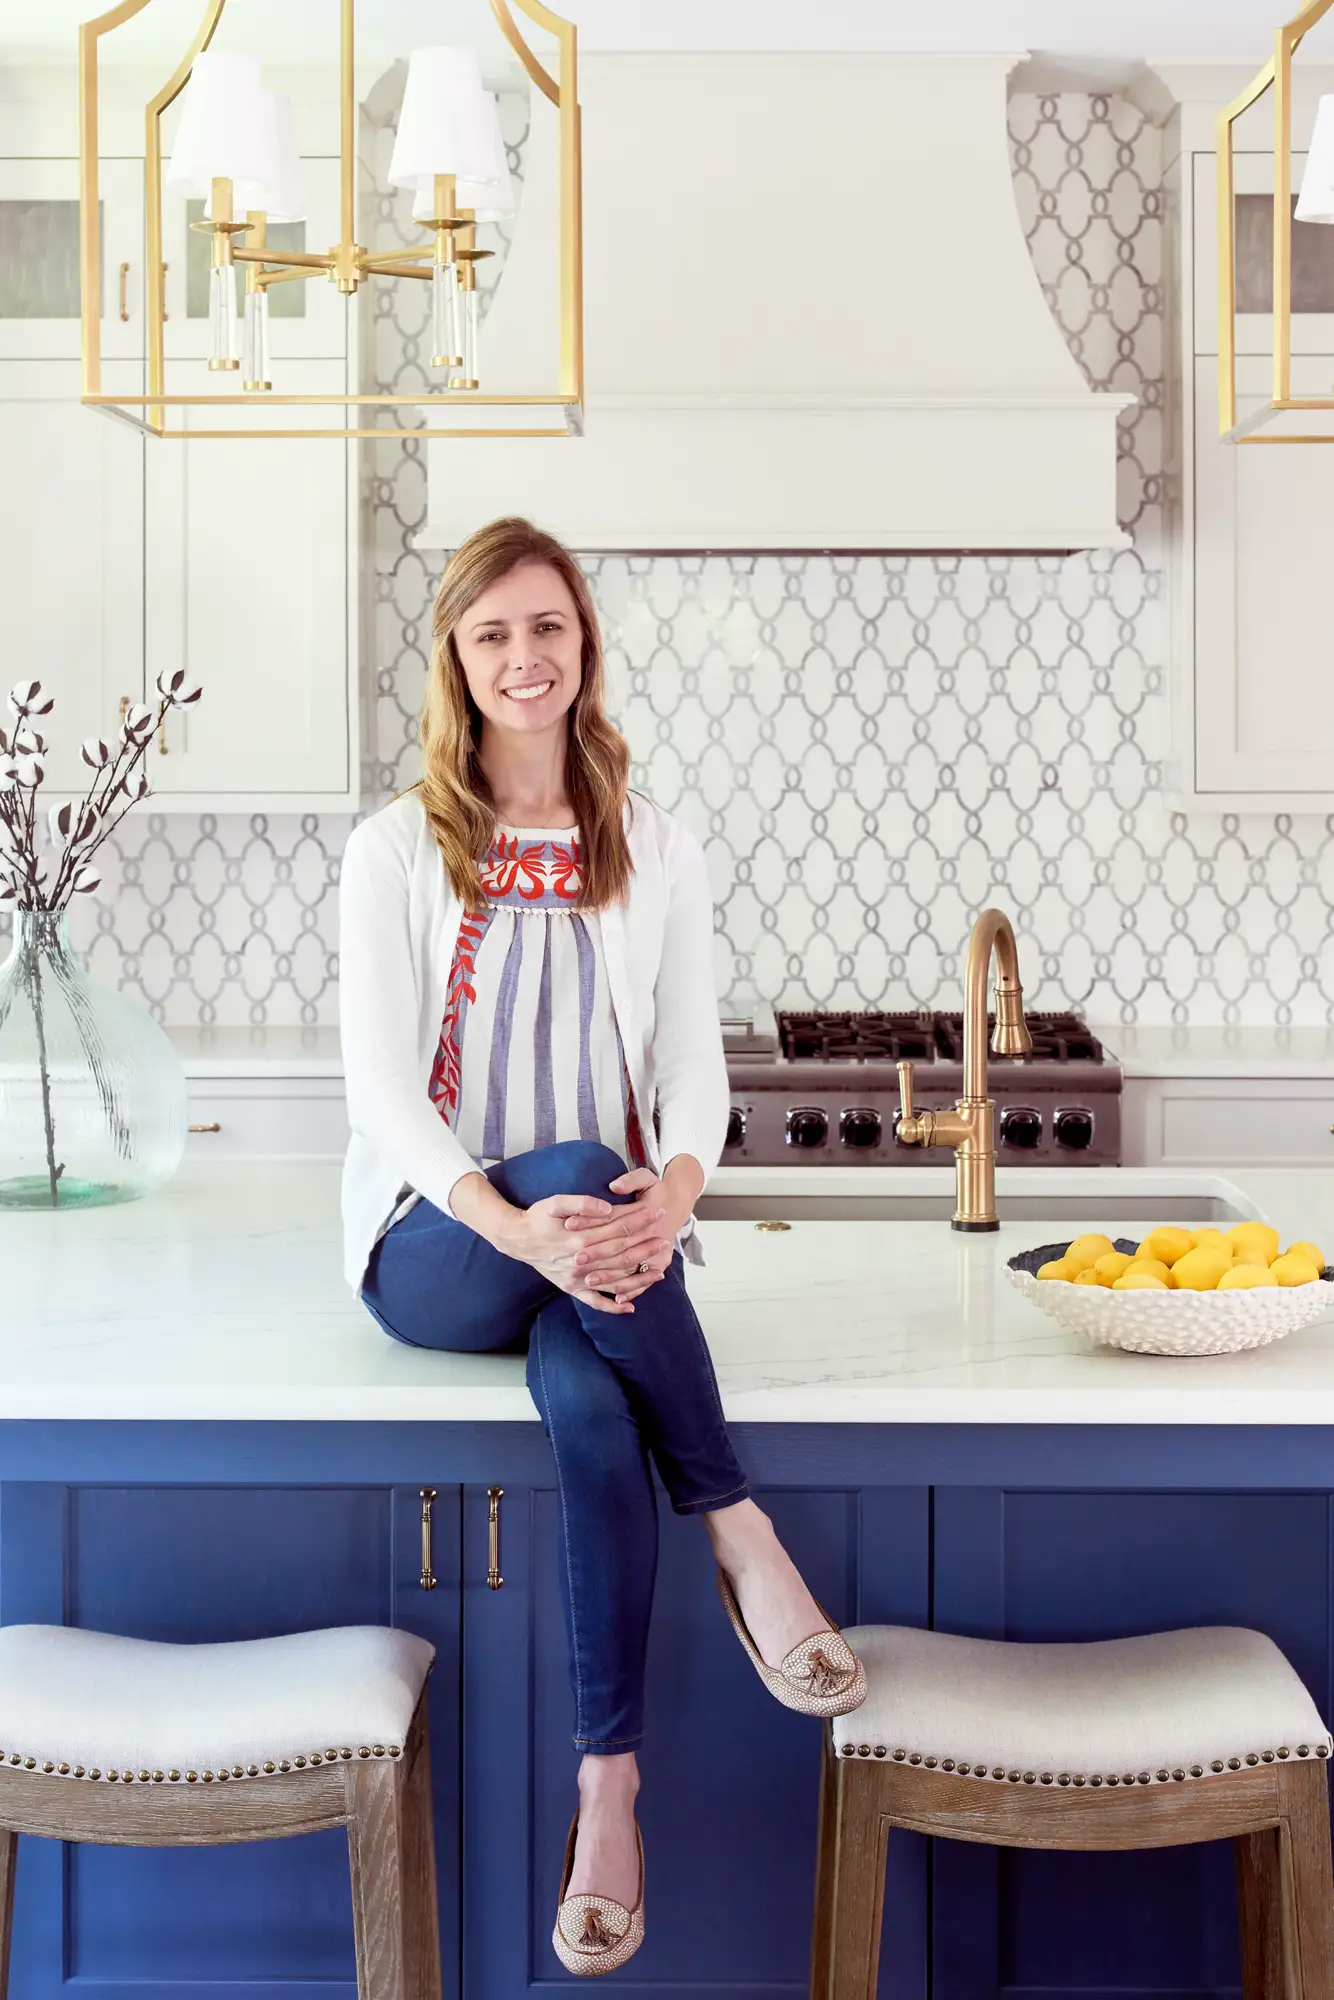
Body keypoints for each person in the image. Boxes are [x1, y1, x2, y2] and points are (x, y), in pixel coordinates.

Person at [338, 516, 866, 1977]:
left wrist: (677, 1191)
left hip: (610, 1263)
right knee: (578, 1165)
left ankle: (607, 1792)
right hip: (442, 1247)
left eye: (548, 627)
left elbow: (693, 1066)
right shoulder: (395, 849)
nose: (525, 656)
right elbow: (380, 1090)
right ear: (455, 654)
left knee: (584, 1406)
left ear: (585, 647)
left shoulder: (655, 846)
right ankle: (740, 1532)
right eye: (494, 631)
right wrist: (522, 1218)